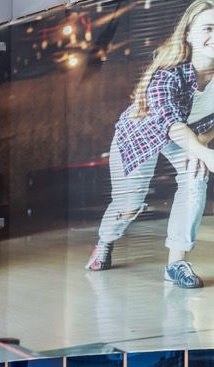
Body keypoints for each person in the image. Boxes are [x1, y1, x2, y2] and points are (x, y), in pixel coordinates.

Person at [87, 0, 214, 289]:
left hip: (188, 136)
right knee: (129, 204)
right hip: (141, 136)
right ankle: (105, 241)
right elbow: (170, 124)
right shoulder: (168, 72)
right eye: (208, 28)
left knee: (196, 175)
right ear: (189, 34)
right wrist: (204, 151)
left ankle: (176, 263)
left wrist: (203, 144)